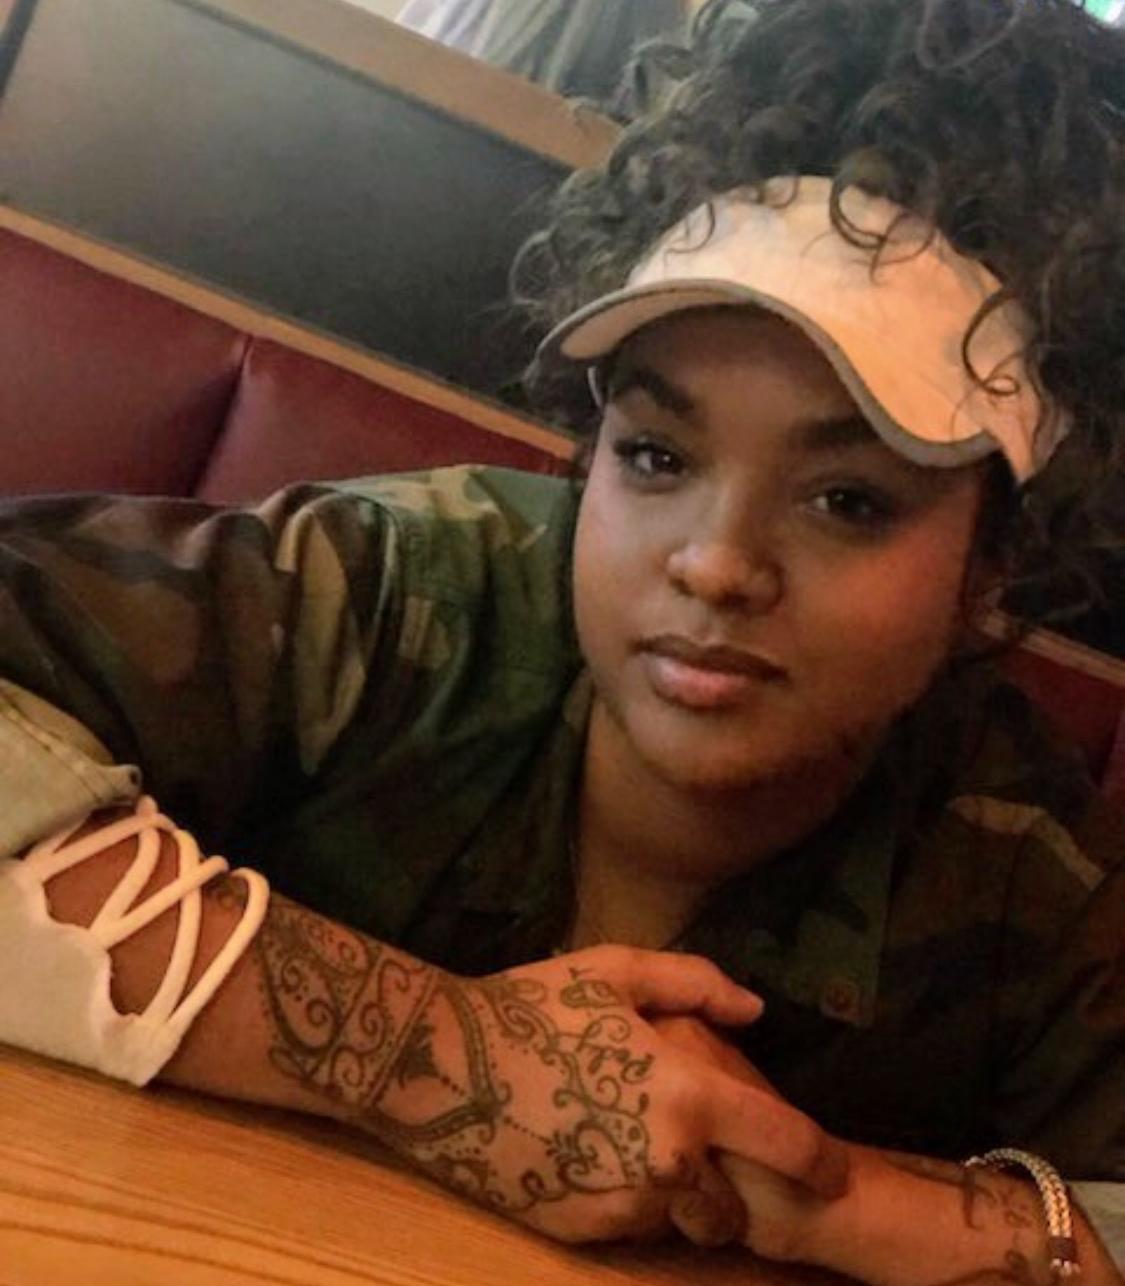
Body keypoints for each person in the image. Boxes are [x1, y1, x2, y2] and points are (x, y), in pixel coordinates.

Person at [0, 0, 1122, 1280]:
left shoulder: (1027, 870)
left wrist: (837, 1194)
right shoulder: (392, 593)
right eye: (656, 456)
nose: (715, 561)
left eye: (848, 500)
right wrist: (437, 1052)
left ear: (992, 566)